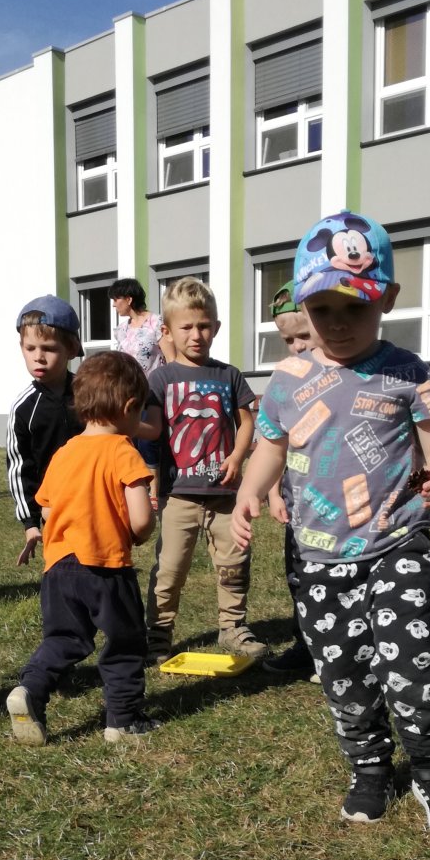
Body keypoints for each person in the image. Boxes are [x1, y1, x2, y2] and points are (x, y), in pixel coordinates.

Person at [232, 209, 430, 839]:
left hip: (397, 541)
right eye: (322, 310)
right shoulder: (287, 380)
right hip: (317, 555)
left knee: (414, 665)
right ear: (301, 307)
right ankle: (369, 770)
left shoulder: (406, 371)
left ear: (387, 299)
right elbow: (270, 446)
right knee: (344, 674)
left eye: (355, 308)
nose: (338, 323)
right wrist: (250, 493)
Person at [7, 351, 157, 747]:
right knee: (125, 641)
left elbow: (47, 508)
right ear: (130, 407)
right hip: (106, 567)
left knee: (63, 638)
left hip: (59, 567)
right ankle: (123, 720)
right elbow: (141, 519)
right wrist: (140, 533)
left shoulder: (64, 452)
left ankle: (31, 689)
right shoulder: (124, 450)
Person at [141, 277, 266, 664]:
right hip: (178, 496)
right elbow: (153, 430)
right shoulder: (160, 379)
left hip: (226, 495)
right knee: (170, 569)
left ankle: (233, 626)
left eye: (204, 326)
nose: (196, 335)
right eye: (187, 327)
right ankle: (158, 633)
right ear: (167, 331)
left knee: (234, 562)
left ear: (216, 327)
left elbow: (247, 422)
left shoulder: (229, 375)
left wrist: (238, 457)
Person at [262, 284, 322, 681]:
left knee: (332, 578)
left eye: (303, 335)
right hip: (297, 499)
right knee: (298, 574)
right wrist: (271, 492)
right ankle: (306, 643)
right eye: (288, 340)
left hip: (337, 504)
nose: (298, 345)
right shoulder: (285, 380)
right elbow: (273, 442)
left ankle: (338, 649)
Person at [6, 295, 84, 567]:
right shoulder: (23, 407)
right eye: (30, 348)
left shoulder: (89, 395)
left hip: (95, 497)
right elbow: (19, 468)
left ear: (71, 349)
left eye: (48, 348)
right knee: (63, 568)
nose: (38, 357)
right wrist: (30, 522)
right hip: (53, 508)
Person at [110, 277, 173, 494]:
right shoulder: (121, 329)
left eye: (116, 299)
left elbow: (171, 358)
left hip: (153, 393)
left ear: (129, 299)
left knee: (148, 443)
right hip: (128, 394)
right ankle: (134, 491)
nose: (114, 304)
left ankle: (154, 493)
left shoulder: (156, 323)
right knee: (130, 443)